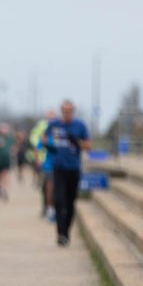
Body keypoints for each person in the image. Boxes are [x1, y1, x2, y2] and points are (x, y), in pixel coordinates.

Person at [43, 99, 90, 246]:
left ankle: (67, 231)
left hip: (74, 168)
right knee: (58, 200)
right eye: (64, 111)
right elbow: (43, 138)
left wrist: (77, 141)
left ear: (73, 111)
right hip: (59, 167)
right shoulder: (55, 124)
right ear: (61, 111)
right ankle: (60, 233)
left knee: (70, 202)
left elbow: (88, 145)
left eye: (69, 111)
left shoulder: (80, 125)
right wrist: (49, 144)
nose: (66, 114)